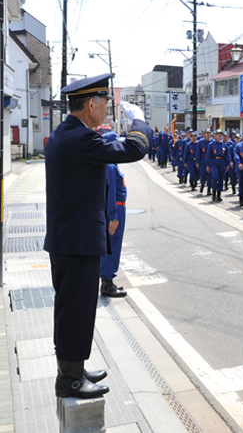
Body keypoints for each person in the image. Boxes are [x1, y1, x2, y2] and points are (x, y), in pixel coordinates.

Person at [44, 73, 152, 399]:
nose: (106, 108)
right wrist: (139, 121)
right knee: (75, 310)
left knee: (74, 308)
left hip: (71, 238)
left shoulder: (68, 134)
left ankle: (73, 369)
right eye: (105, 102)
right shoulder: (79, 139)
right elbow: (134, 148)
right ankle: (70, 380)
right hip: (77, 241)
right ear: (91, 104)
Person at [99, 132, 128, 298]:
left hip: (117, 208)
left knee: (112, 246)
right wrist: (113, 217)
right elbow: (110, 194)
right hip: (115, 209)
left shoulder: (111, 164)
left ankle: (108, 281)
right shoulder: (110, 166)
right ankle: (107, 285)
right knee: (112, 246)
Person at [207, 129, 230, 202]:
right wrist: (208, 165)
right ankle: (213, 192)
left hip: (222, 162)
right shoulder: (211, 144)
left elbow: (227, 155)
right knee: (215, 177)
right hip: (214, 162)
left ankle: (218, 195)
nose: (219, 136)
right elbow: (208, 156)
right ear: (215, 136)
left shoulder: (224, 144)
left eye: (220, 134)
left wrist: (228, 164)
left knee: (221, 178)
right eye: (218, 134)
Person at [196, 129, 212, 195]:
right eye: (206, 133)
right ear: (204, 134)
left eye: (209, 133)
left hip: (210, 162)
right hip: (203, 161)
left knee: (210, 176)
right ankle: (202, 184)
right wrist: (197, 161)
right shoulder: (200, 142)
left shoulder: (213, 142)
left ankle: (209, 189)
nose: (208, 134)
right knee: (202, 175)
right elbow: (198, 152)